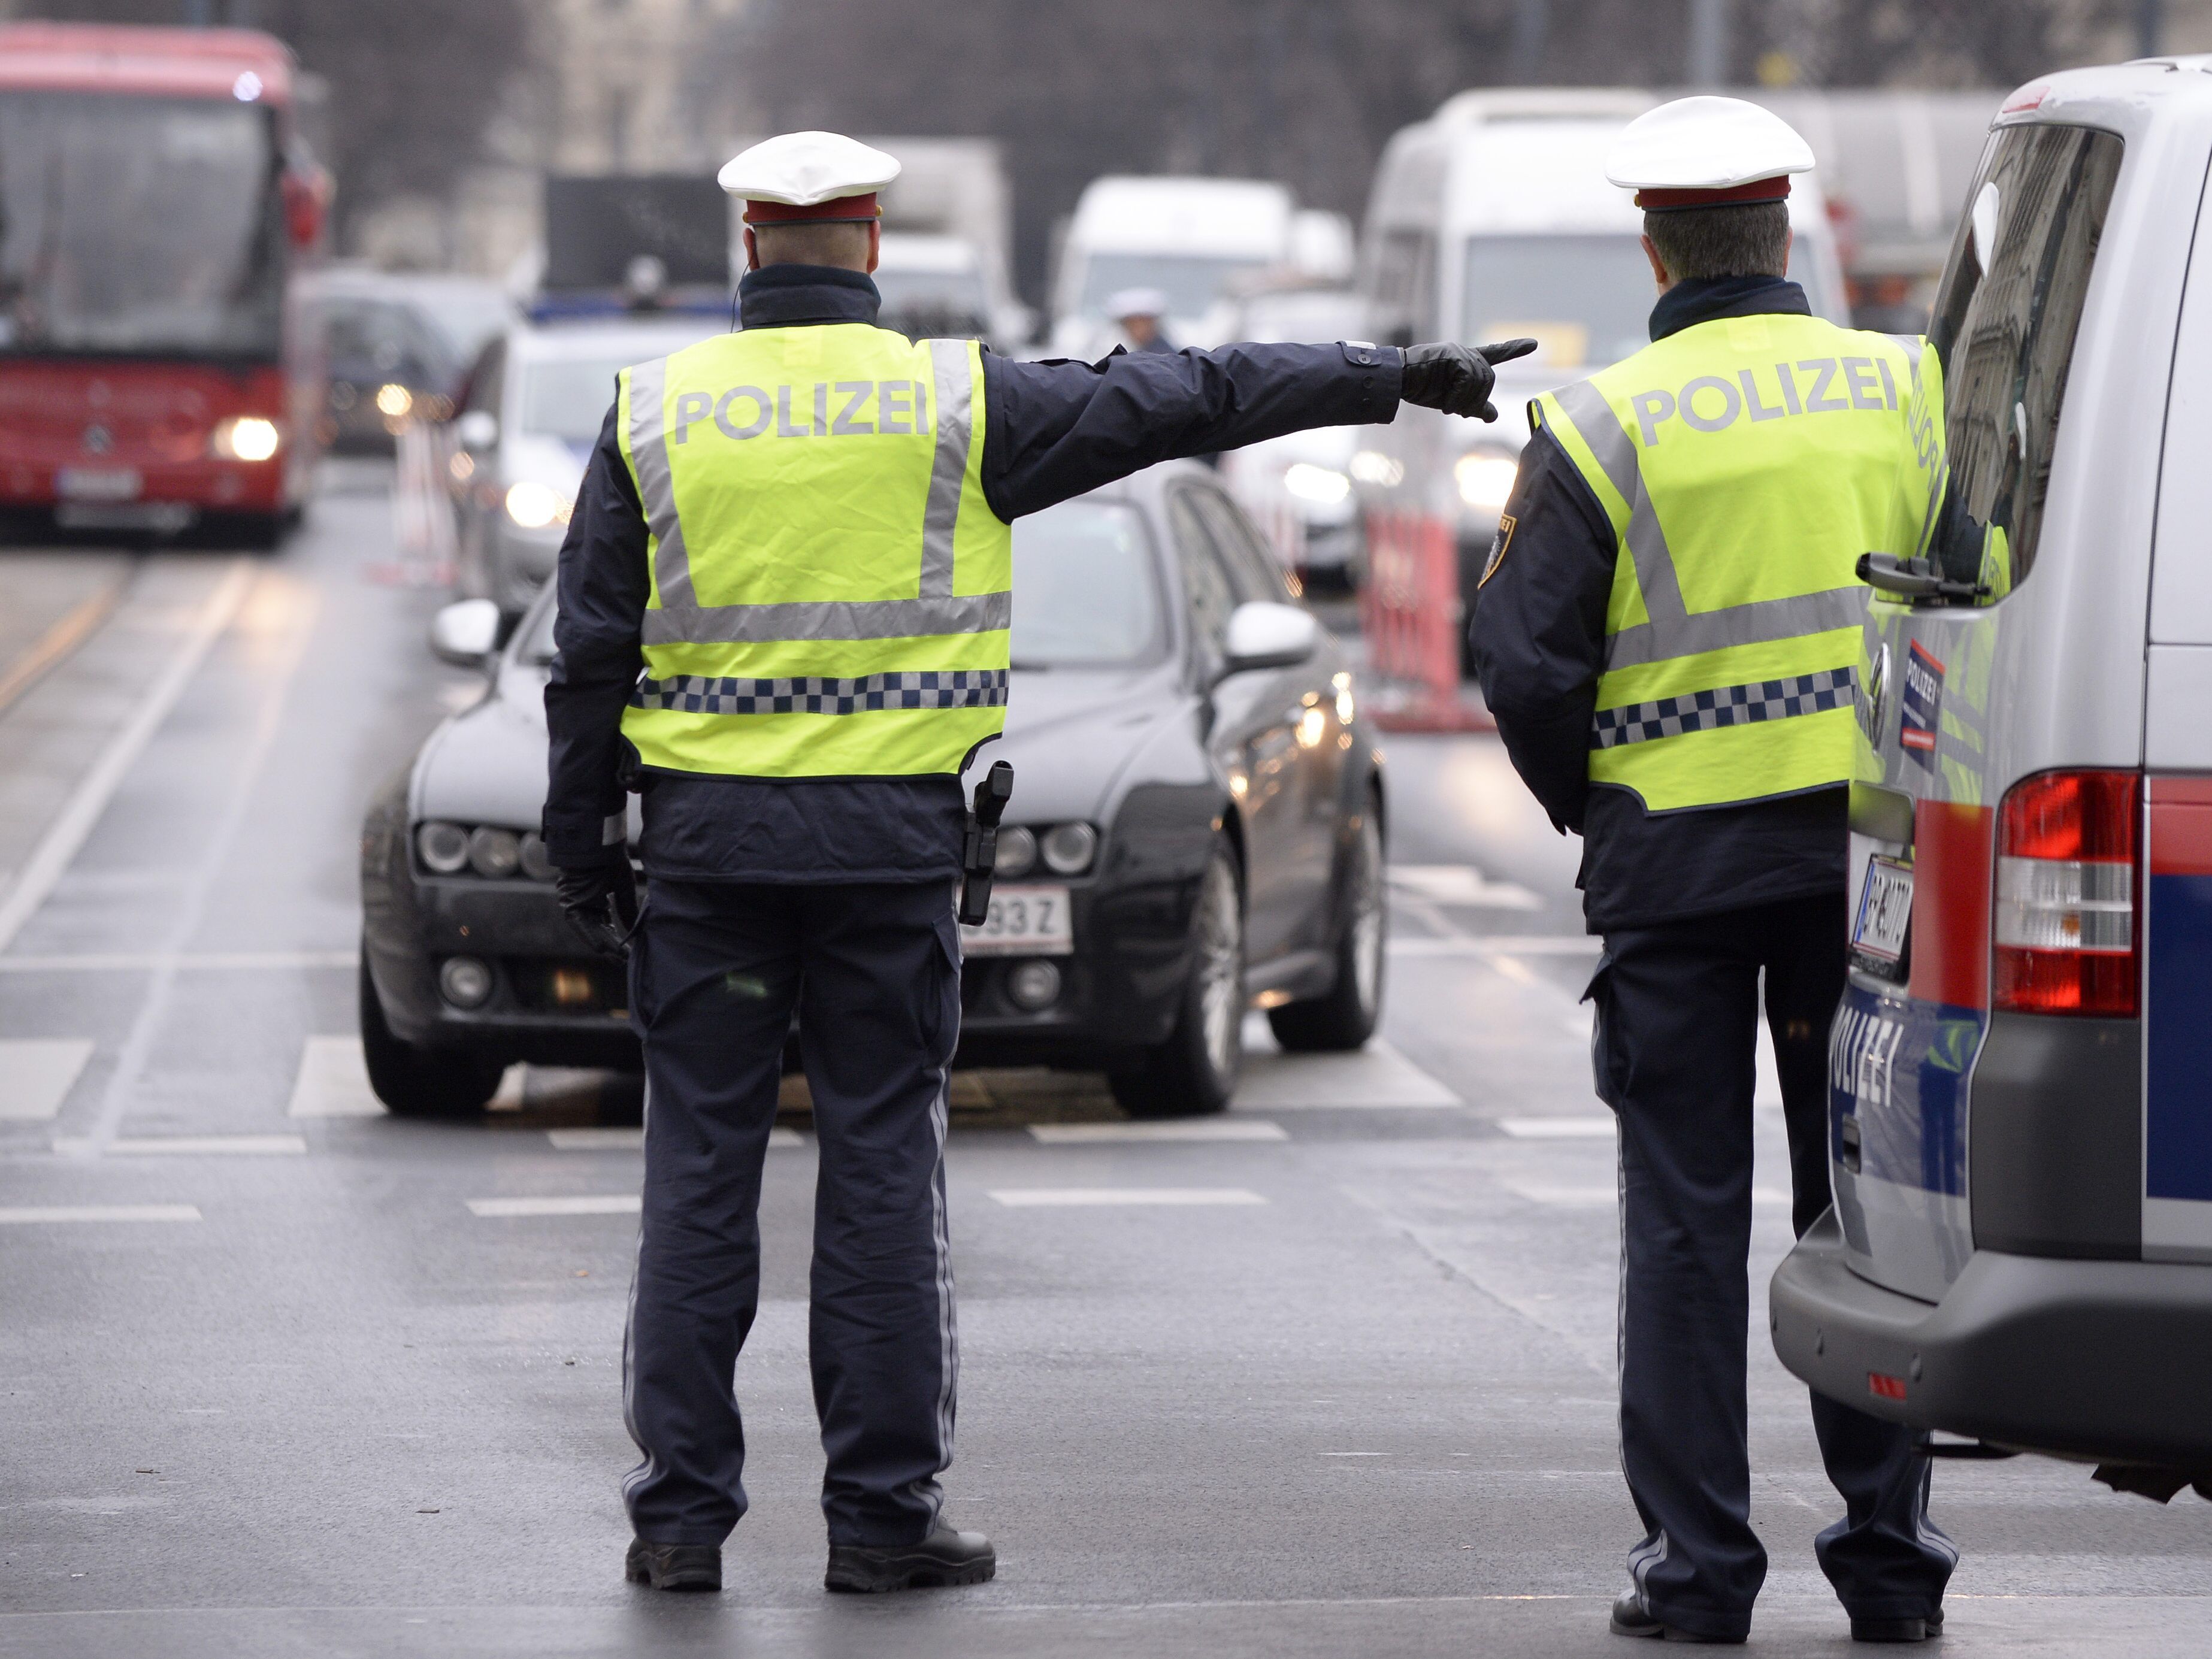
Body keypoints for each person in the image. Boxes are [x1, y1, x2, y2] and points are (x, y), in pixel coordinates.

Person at [543, 129, 1536, 1597]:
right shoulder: (958, 402)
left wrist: (582, 841)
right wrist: (1389, 371)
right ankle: (881, 1517)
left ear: (747, 244)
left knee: (698, 1171)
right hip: (886, 863)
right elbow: (1191, 393)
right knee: (880, 1166)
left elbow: (588, 654)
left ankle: (680, 1516)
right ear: (869, 244)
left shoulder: (653, 411)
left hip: (709, 860)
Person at [1468, 97, 1958, 1645]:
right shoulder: (1910, 388)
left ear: (1651, 243)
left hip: (1674, 868)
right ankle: (1886, 1561)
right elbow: (1975, 593)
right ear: (1787, 232)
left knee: (1680, 1218)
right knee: (1867, 1218)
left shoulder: (1601, 420)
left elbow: (1524, 662)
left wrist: (1596, 805)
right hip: (1870, 872)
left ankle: (1697, 1572)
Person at [1103, 285, 1176, 353]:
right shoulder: (1129, 350)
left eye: (1142, 322)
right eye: (1132, 324)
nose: (1138, 329)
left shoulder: (1166, 356)